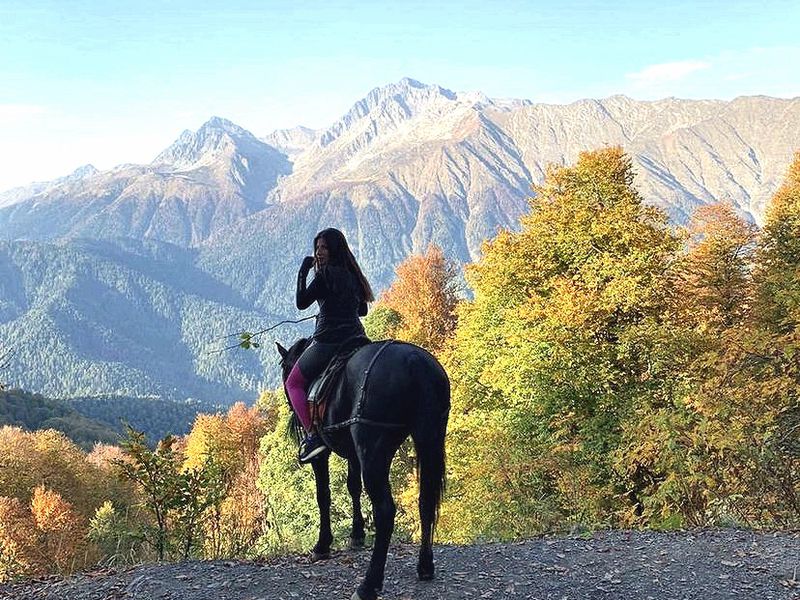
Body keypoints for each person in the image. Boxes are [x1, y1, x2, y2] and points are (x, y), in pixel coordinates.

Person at [286, 228, 375, 463]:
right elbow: (362, 310)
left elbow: (302, 303)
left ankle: (312, 436)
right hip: (357, 338)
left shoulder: (324, 274)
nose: (318, 252)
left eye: (323, 247)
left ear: (334, 249)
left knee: (293, 382)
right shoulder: (354, 275)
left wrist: (303, 272)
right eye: (317, 247)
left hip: (328, 341)